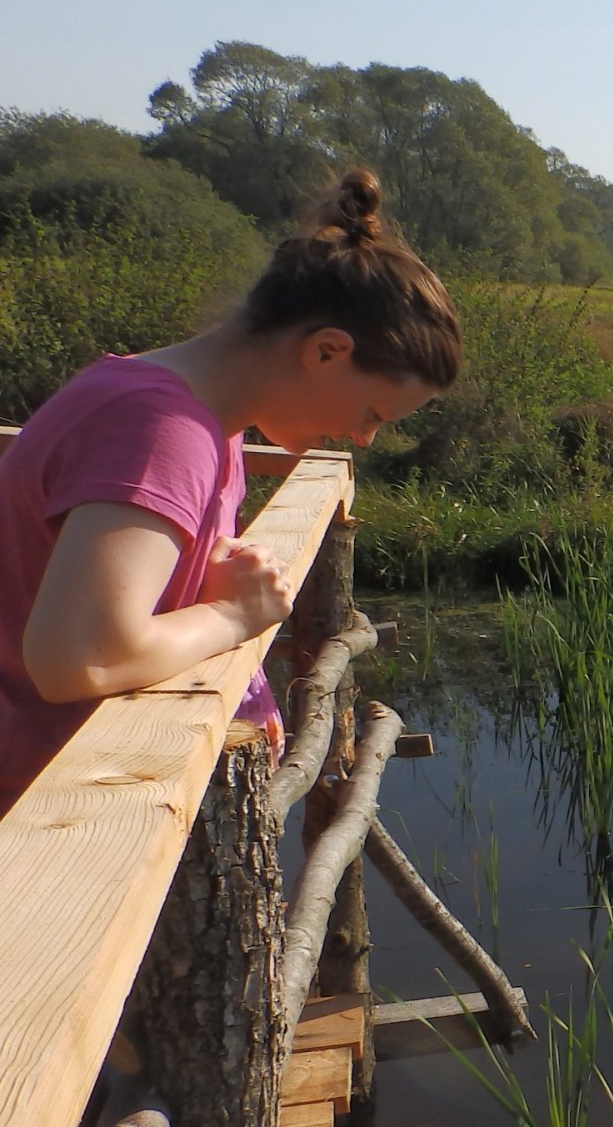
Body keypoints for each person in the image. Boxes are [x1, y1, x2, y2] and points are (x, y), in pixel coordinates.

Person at [0, 167, 460, 818]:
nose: (363, 437)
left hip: (85, 795)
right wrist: (233, 617)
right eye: (375, 412)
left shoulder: (199, 420)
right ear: (328, 351)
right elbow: (76, 659)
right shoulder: (159, 430)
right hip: (54, 822)